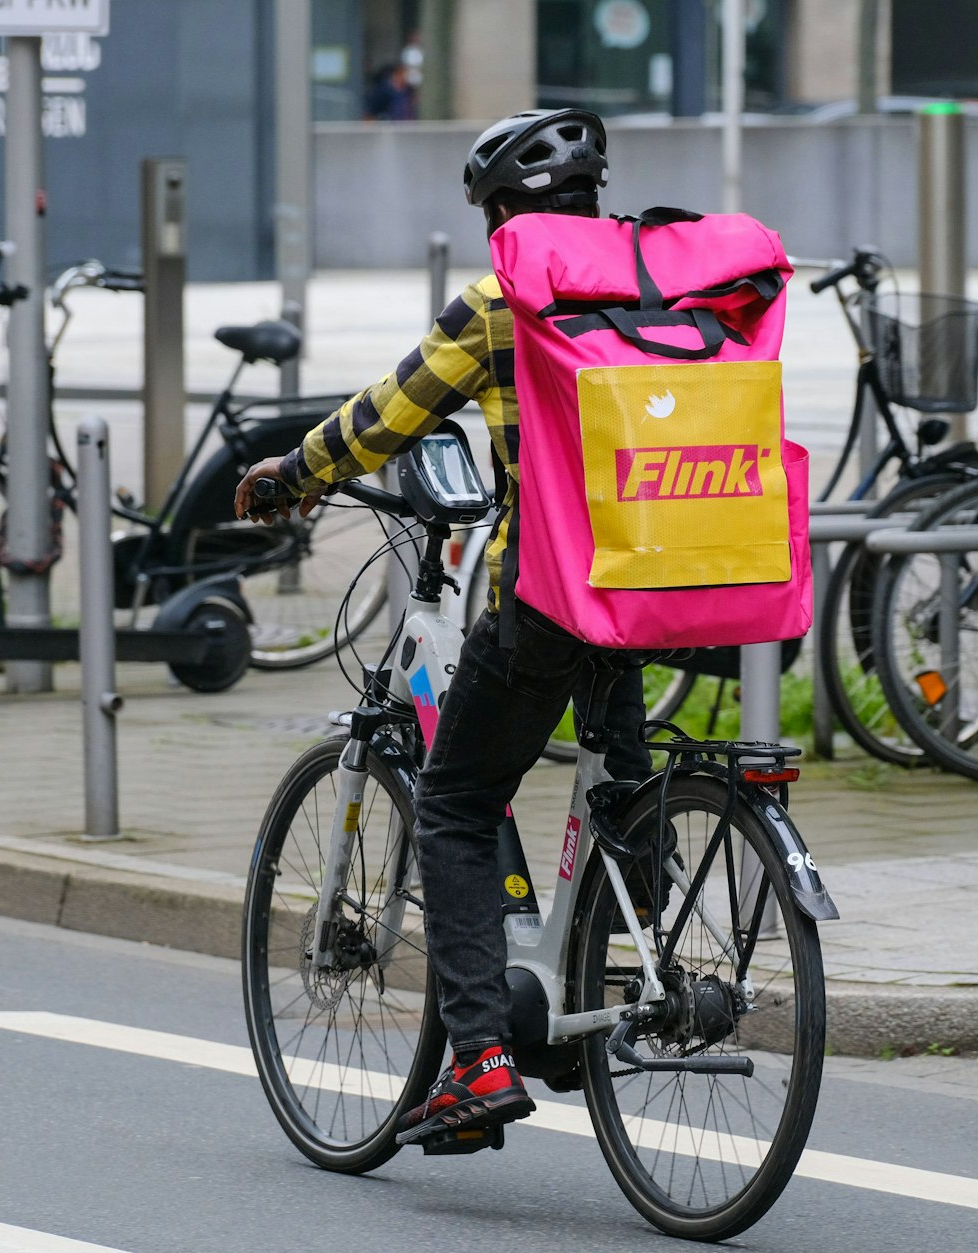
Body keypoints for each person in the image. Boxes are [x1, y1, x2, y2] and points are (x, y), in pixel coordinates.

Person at [234, 109, 646, 1146]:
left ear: (504, 212)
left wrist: (293, 472)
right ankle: (630, 983)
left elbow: (386, 414)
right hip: (670, 586)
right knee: (625, 795)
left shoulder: (508, 299)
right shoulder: (663, 280)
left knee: (458, 802)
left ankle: (481, 1062)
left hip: (551, 592)